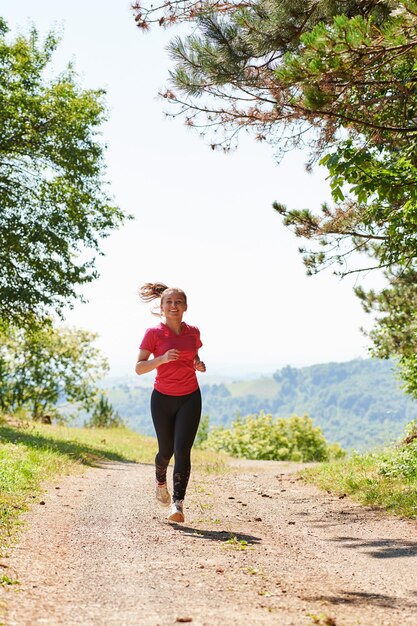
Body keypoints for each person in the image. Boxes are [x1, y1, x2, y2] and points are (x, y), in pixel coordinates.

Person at [135, 282, 206, 523]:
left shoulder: (193, 332)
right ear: (162, 307)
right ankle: (160, 481)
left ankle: (178, 505)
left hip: (190, 396)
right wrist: (162, 359)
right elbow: (139, 368)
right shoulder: (153, 334)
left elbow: (193, 354)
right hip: (162, 399)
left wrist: (198, 363)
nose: (173, 306)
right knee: (166, 451)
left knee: (182, 451)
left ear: (185, 307)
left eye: (178, 302)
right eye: (169, 302)